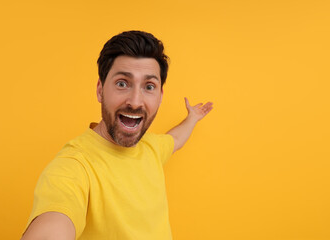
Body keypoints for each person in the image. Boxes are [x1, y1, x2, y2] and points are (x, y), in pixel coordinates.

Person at [21, 30, 213, 240]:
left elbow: (175, 140)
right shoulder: (74, 166)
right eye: (122, 83)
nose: (135, 101)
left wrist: (192, 118)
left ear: (160, 96)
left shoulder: (152, 147)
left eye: (149, 86)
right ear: (100, 90)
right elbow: (53, 223)